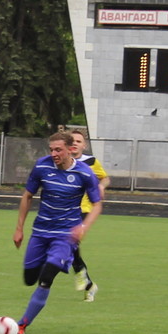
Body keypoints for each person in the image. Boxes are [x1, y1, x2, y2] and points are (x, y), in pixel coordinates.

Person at [5, 128, 103, 334]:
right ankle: (51, 262)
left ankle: (21, 325)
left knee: (47, 277)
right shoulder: (42, 166)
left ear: (70, 149)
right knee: (29, 278)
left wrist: (83, 227)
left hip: (65, 235)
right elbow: (27, 196)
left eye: (58, 150)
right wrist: (19, 229)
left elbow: (97, 205)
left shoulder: (84, 173)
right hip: (40, 232)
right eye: (51, 150)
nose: (54, 154)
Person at [65, 128, 108, 302]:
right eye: (72, 140)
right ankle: (88, 284)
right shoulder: (61, 161)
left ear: (84, 145)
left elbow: (104, 177)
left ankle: (84, 279)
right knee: (68, 246)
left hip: (84, 210)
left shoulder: (90, 161)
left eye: (78, 141)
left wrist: (101, 186)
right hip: (64, 210)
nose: (75, 143)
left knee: (70, 241)